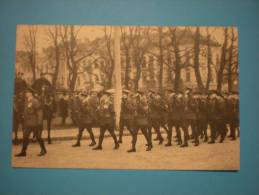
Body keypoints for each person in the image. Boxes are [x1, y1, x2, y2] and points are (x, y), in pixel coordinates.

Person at [15, 89, 47, 157]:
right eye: (26, 92)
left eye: (27, 92)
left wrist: (39, 123)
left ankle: (43, 149)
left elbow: (40, 112)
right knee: (25, 137)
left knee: (38, 137)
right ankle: (23, 152)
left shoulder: (35, 101)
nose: (26, 94)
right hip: (28, 123)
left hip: (35, 123)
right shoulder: (27, 101)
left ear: (31, 94)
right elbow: (27, 111)